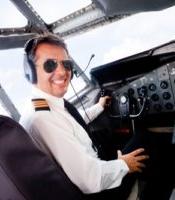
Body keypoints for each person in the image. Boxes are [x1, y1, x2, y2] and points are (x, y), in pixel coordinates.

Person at [19, 33, 149, 199]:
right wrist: (123, 164)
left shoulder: (46, 106)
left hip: (92, 169)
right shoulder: (43, 118)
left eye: (66, 64)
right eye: (50, 65)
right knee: (145, 140)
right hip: (96, 191)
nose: (62, 71)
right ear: (30, 72)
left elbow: (75, 120)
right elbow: (89, 179)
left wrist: (99, 106)